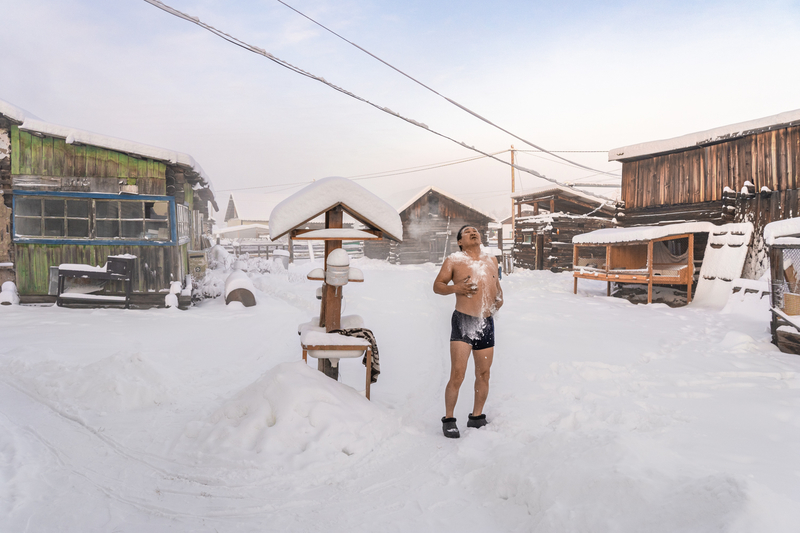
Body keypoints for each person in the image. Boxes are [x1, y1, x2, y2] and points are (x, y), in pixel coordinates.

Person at [433, 225, 503, 438]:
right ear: (460, 242)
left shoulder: (491, 260)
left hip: (486, 323)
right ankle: (449, 419)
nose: (473, 232)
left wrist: (498, 300)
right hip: (464, 320)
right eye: (467, 232)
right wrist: (456, 288)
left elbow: (496, 286)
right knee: (458, 373)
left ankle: (477, 417)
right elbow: (438, 285)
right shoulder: (454, 260)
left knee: (483, 373)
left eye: (475, 230)